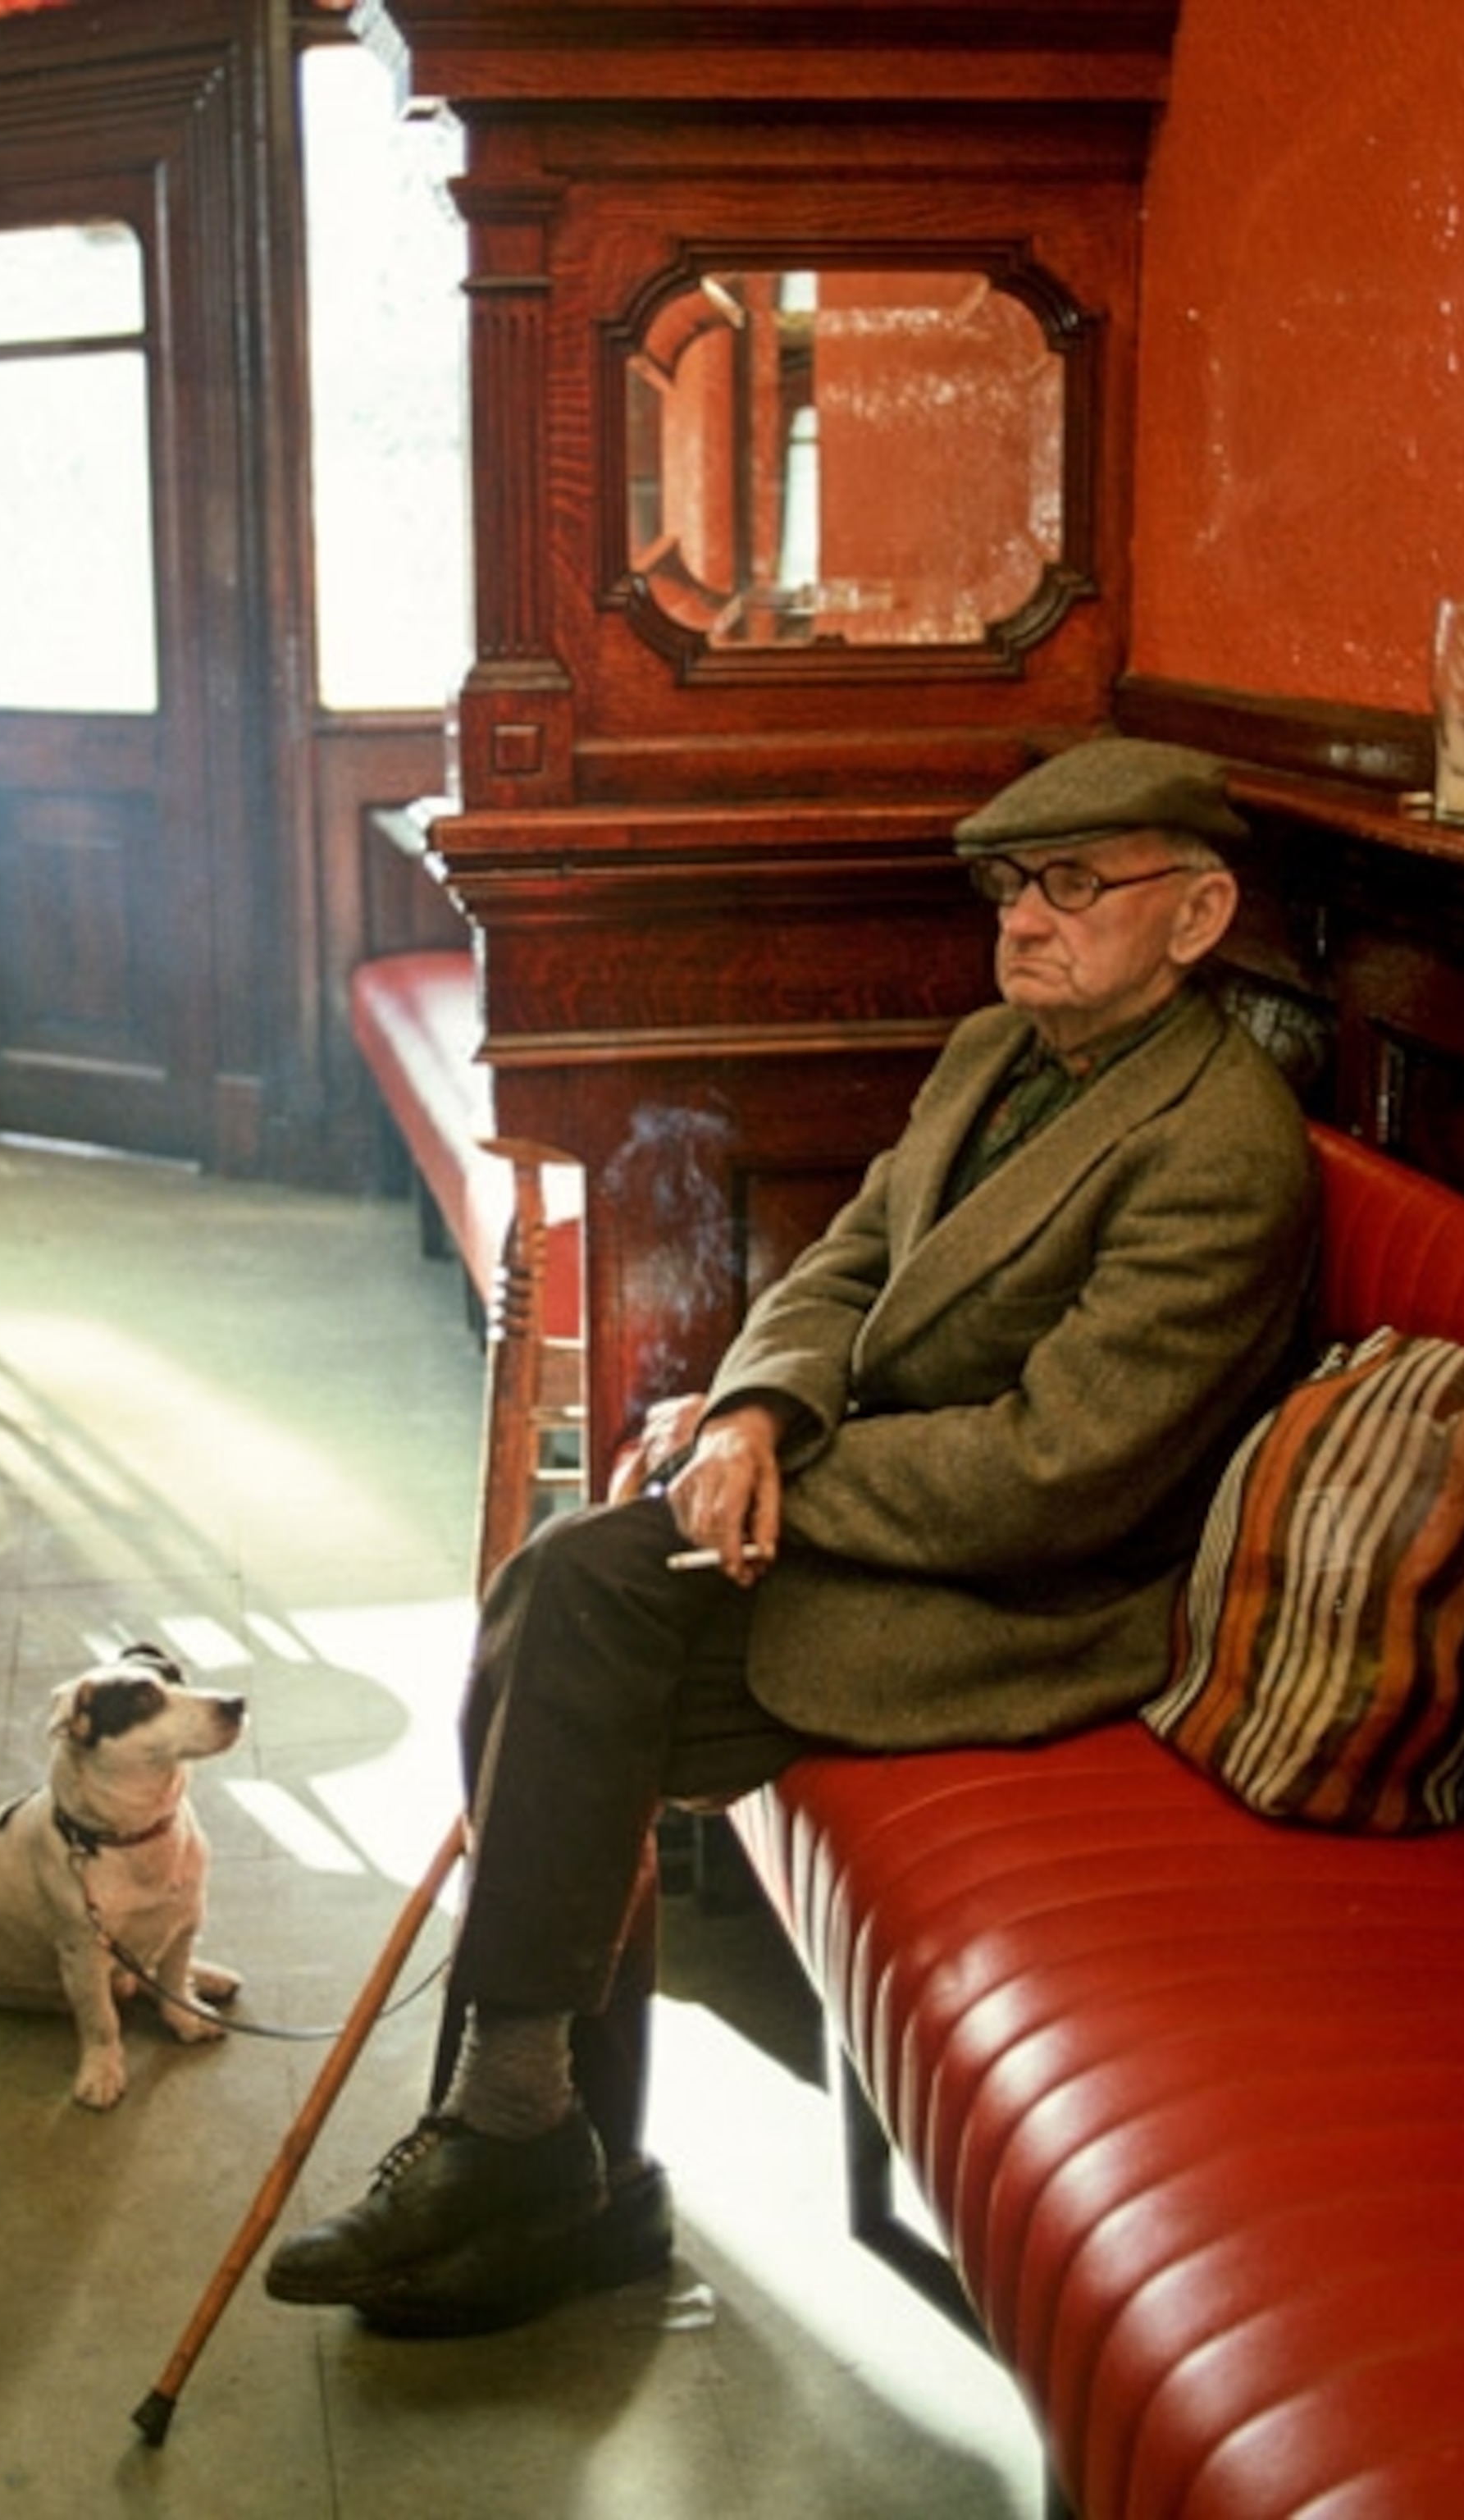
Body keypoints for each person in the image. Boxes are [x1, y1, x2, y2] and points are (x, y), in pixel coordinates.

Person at [267, 734, 1317, 2335]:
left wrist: (779, 1483)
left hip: (1031, 1601)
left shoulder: (1221, 1147)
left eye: (1074, 884)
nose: (1025, 920)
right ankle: (537, 2147)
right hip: (883, 1520)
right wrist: (751, 1417)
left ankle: (533, 2148)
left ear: (1198, 914)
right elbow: (843, 1261)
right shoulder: (997, 1051)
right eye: (1009, 886)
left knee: (567, 1622)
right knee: (564, 1616)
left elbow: (1062, 1474)